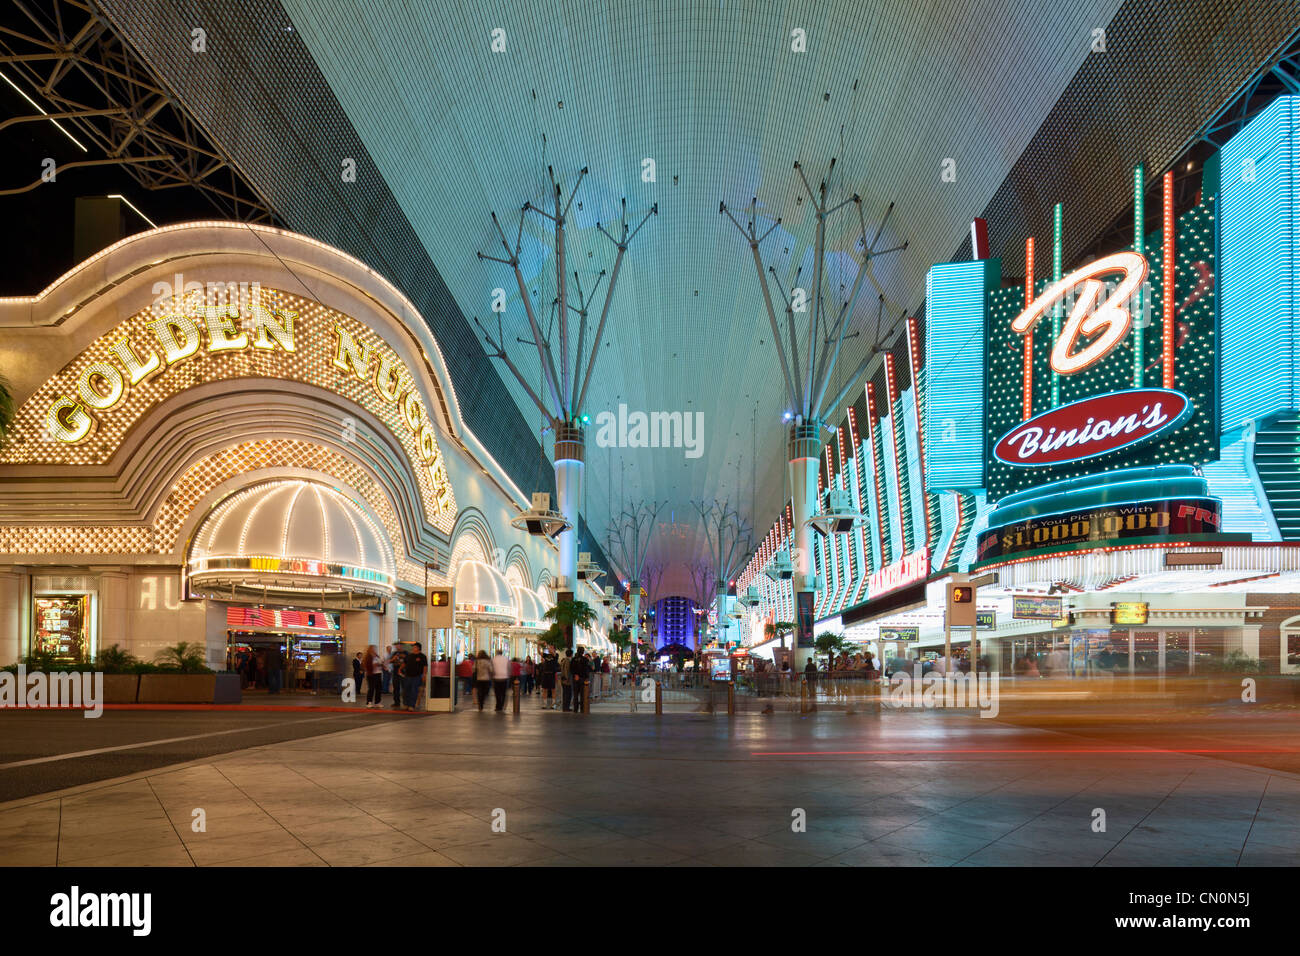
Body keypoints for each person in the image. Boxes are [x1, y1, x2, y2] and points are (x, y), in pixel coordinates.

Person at [401, 642, 427, 712]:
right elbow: (404, 663)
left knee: (414, 691)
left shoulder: (422, 656)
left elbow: (425, 666)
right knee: (406, 690)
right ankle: (406, 704)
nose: (413, 648)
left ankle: (411, 705)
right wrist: (400, 669)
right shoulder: (409, 655)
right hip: (407, 676)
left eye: (414, 647)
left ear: (418, 648)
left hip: (417, 676)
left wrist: (424, 675)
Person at [571, 647, 591, 713]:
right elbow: (586, 670)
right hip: (582, 678)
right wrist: (586, 678)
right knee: (583, 695)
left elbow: (571, 669)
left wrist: (575, 675)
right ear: (583, 652)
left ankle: (575, 709)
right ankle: (582, 708)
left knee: (575, 694)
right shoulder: (585, 659)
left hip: (575, 678)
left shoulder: (574, 659)